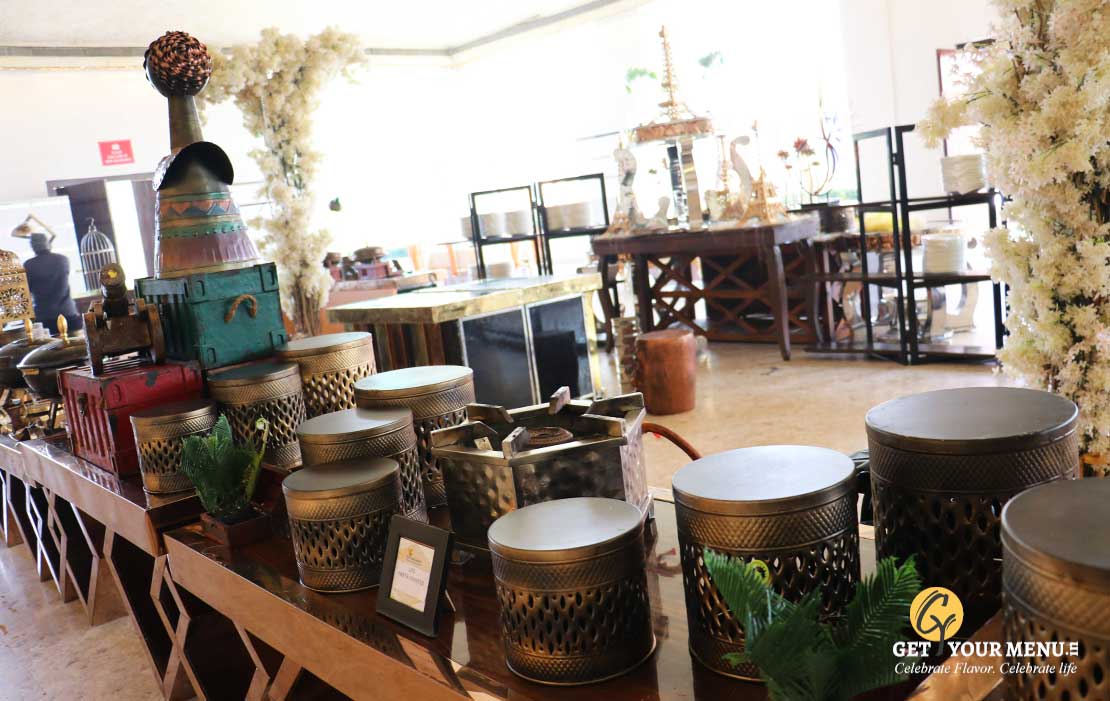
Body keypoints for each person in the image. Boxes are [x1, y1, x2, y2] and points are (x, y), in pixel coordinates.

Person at [23, 233, 80, 335]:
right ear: (48, 243)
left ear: (32, 246)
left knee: (50, 345)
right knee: (77, 343)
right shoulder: (63, 259)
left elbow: (27, 291)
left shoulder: (29, 265)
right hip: (68, 313)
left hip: (45, 317)